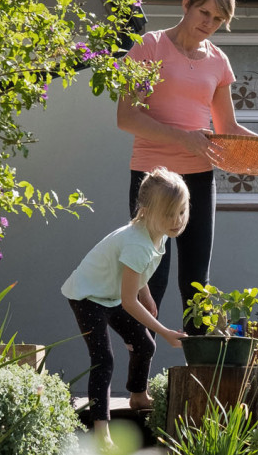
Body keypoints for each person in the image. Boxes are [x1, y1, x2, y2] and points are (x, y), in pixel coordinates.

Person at [116, 0, 258, 331]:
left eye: (218, 19)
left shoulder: (218, 61)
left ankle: (198, 381)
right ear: (186, 5)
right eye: (204, 13)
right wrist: (185, 139)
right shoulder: (149, 47)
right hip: (152, 179)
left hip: (198, 178)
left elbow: (226, 129)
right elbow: (126, 117)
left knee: (197, 284)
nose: (209, 24)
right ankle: (138, 388)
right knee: (152, 280)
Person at [61, 168, 189, 436]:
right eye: (169, 213)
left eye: (181, 211)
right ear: (145, 210)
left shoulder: (159, 231)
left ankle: (138, 395)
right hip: (87, 296)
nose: (177, 220)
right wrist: (165, 332)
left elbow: (134, 275)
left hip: (112, 295)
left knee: (144, 343)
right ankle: (101, 429)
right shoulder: (137, 243)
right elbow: (130, 302)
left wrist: (148, 294)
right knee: (103, 359)